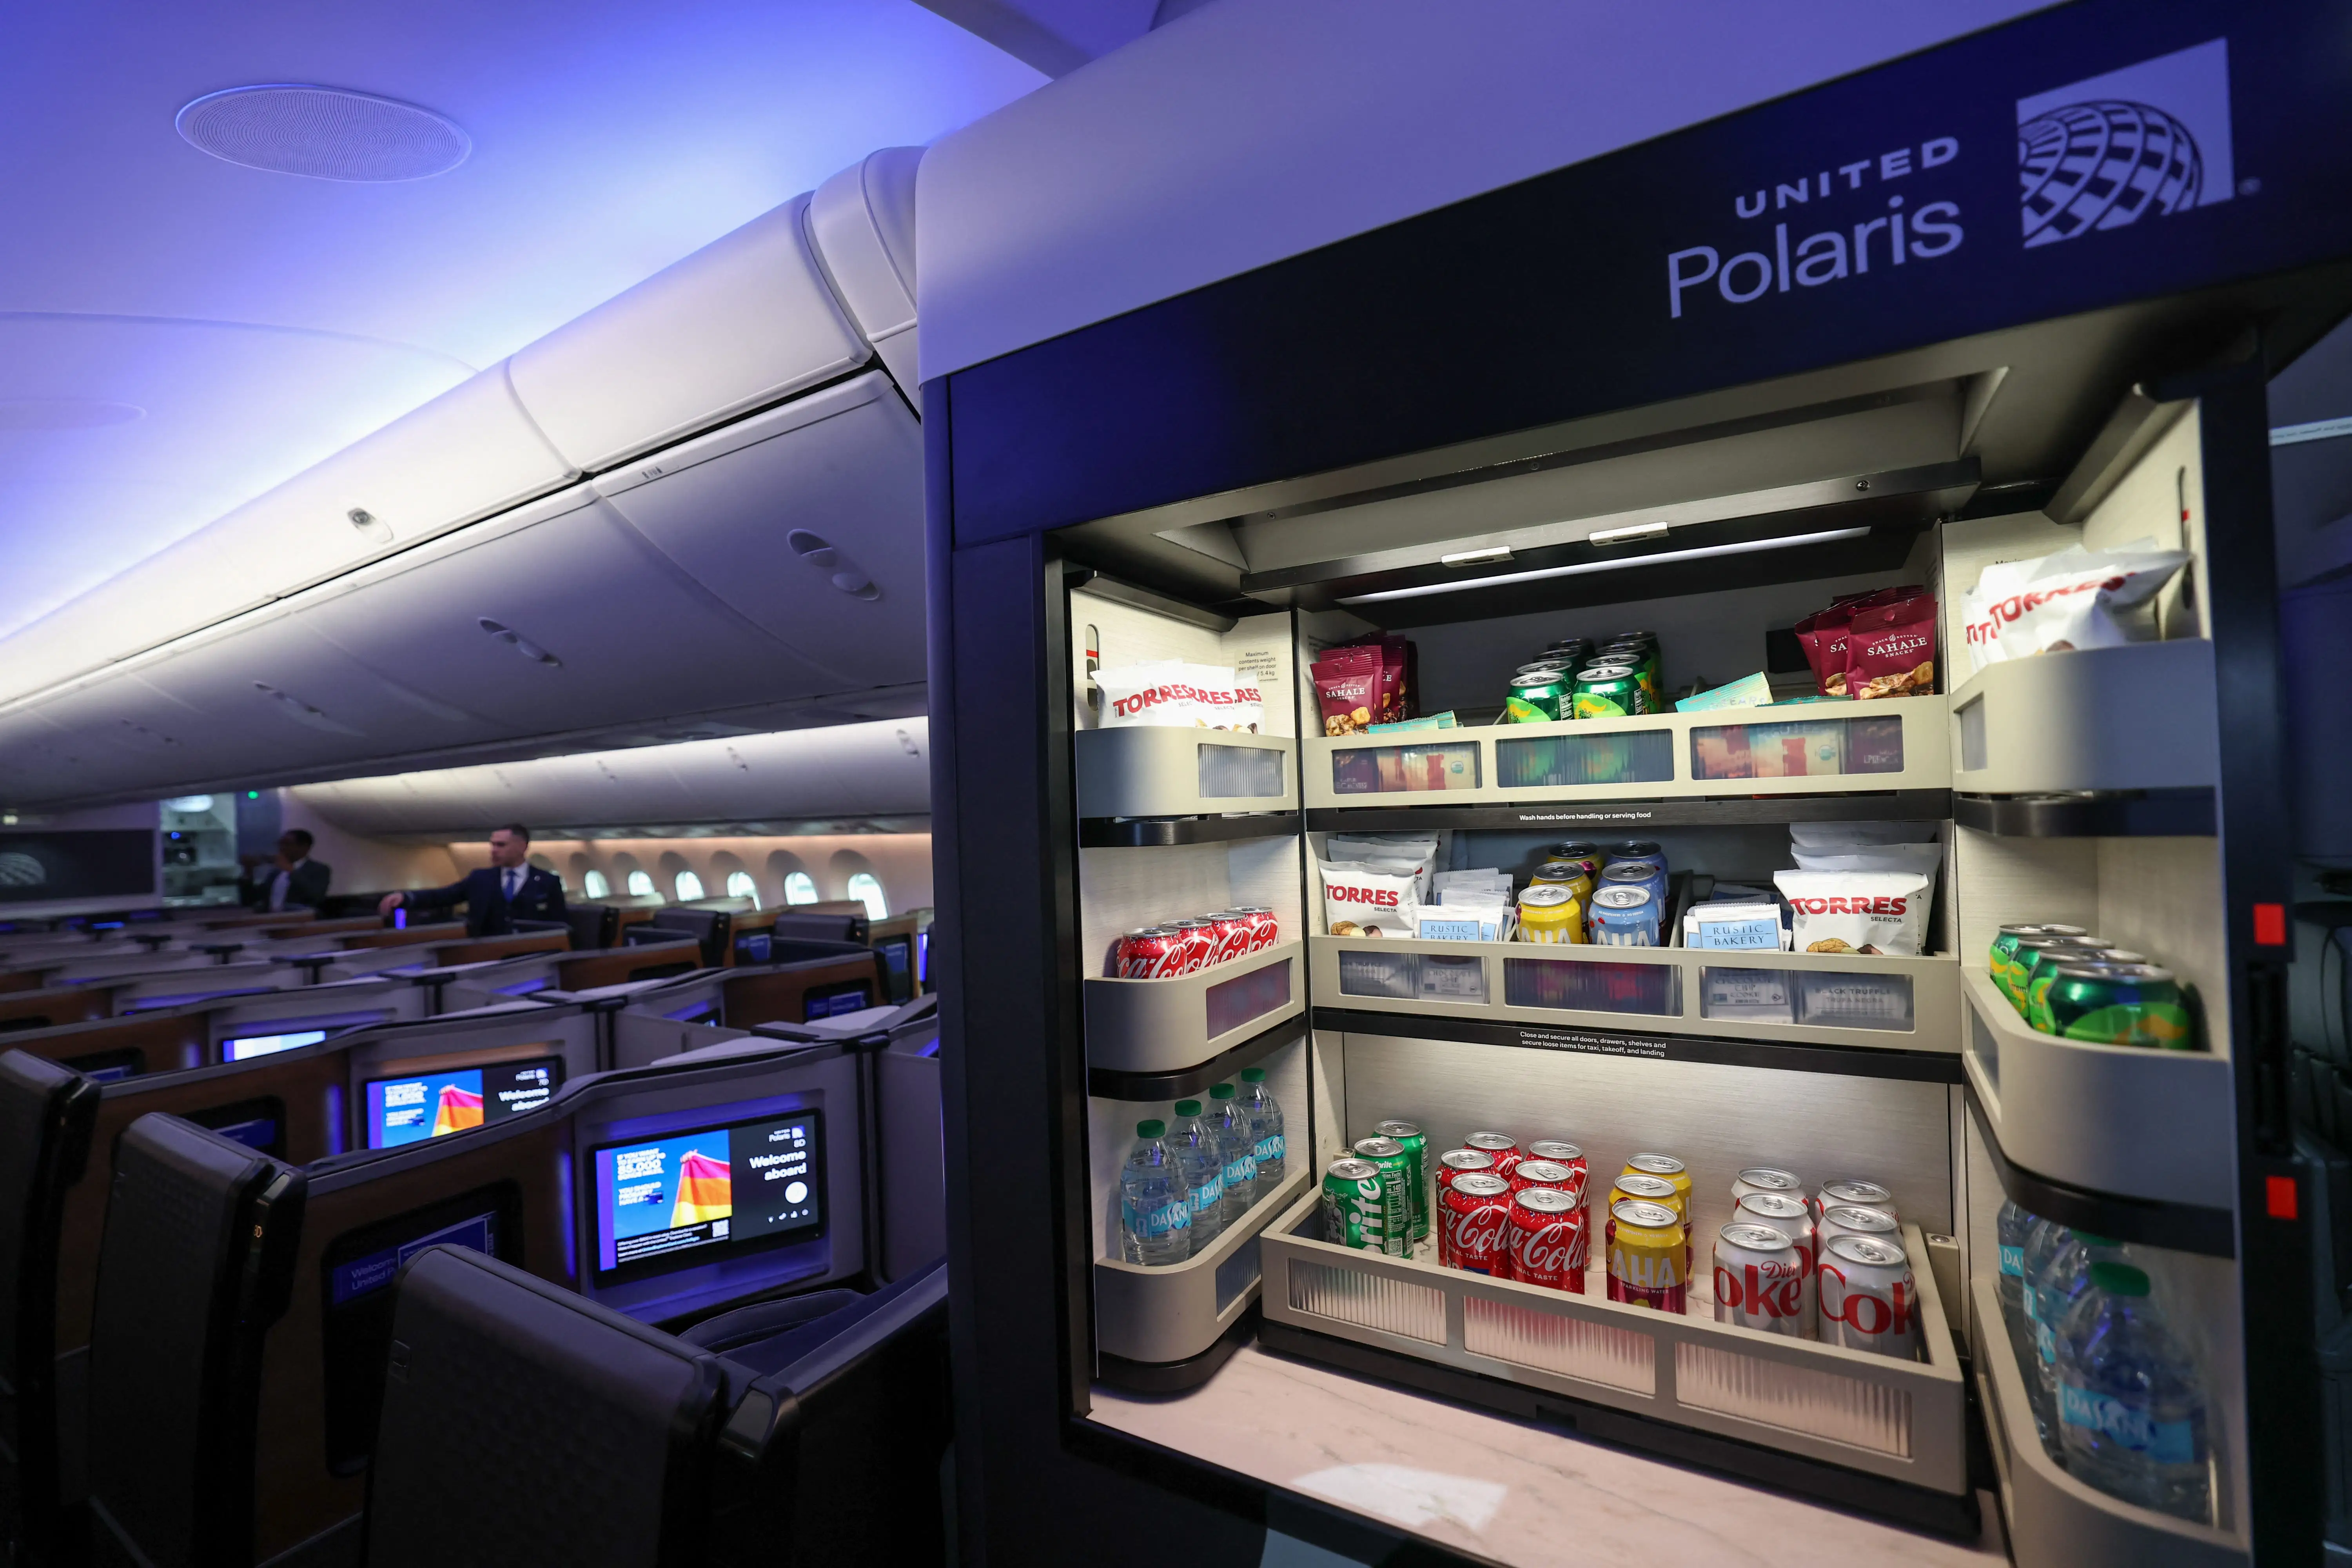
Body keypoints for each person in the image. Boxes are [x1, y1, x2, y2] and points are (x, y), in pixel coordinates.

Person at [379, 822, 566, 937]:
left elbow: (559, 925)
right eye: (492, 845)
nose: (493, 850)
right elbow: (444, 896)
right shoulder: (480, 879)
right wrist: (406, 898)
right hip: (484, 952)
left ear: (522, 847)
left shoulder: (548, 882)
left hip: (532, 955)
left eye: (501, 845)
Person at [239, 829, 331, 913]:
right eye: (280, 844)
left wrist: (291, 871)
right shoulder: (276, 872)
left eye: (287, 844)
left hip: (300, 922)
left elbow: (316, 896)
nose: (282, 848)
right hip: (271, 920)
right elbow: (252, 900)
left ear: (305, 848)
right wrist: (249, 871)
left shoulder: (320, 869)